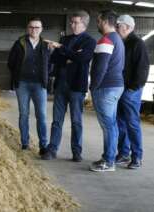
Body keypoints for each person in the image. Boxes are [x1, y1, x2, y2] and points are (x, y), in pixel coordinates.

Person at [41, 10, 96, 162]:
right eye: (71, 22)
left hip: (77, 86)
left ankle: (76, 152)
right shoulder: (64, 39)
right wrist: (69, 56)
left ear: (84, 24)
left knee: (76, 120)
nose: (72, 24)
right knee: (57, 120)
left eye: (75, 22)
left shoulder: (89, 41)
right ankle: (52, 149)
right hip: (61, 84)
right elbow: (55, 59)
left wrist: (63, 50)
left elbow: (83, 58)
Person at [7, 17, 51, 154]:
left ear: (41, 29)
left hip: (39, 84)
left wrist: (46, 75)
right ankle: (25, 143)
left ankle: (43, 145)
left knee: (42, 115)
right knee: (24, 114)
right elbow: (11, 62)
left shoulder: (46, 44)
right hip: (23, 84)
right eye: (31, 27)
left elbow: (52, 62)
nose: (34, 30)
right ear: (28, 29)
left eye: (37, 27)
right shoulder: (19, 43)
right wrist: (17, 75)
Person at [89, 10, 125, 172]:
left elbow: (100, 67)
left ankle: (108, 161)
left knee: (108, 125)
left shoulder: (106, 40)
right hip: (116, 86)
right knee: (111, 124)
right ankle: (109, 156)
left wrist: (93, 86)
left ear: (104, 21)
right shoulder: (117, 39)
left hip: (105, 87)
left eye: (98, 21)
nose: (97, 24)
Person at [115, 14, 149, 169]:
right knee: (120, 122)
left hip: (131, 90)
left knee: (132, 123)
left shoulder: (137, 43)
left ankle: (137, 156)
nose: (116, 28)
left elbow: (143, 69)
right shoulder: (122, 42)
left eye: (118, 26)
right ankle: (123, 153)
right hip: (120, 88)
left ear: (127, 27)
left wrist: (133, 88)